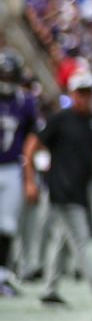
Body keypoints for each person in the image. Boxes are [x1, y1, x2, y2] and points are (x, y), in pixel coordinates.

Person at [22, 70, 92, 307]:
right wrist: (31, 179)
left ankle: (50, 289)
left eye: (88, 93)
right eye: (80, 93)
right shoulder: (60, 119)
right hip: (61, 188)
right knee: (80, 239)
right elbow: (32, 146)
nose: (84, 98)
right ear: (72, 94)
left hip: (81, 189)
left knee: (63, 238)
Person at [0, 51, 39, 297]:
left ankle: (2, 275)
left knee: (7, 225)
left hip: (13, 167)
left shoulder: (26, 102)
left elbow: (32, 139)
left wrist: (29, 178)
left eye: (9, 73)